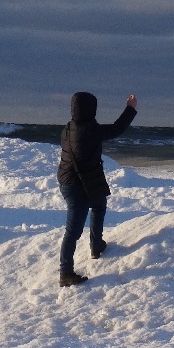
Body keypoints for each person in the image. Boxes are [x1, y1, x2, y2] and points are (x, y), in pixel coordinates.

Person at [56, 91, 138, 287]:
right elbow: (117, 129)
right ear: (90, 109)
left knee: (100, 203)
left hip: (71, 180)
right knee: (73, 230)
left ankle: (97, 245)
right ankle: (65, 272)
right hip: (77, 185)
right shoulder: (90, 130)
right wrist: (130, 108)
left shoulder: (67, 129)